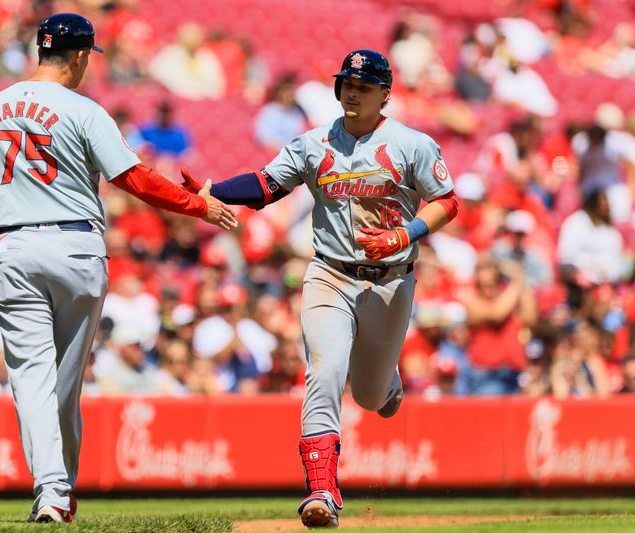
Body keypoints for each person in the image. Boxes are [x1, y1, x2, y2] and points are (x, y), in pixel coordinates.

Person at [0, 13, 236, 524]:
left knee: (33, 379)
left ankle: (54, 491)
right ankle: (58, 490)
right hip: (77, 248)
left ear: (41, 51)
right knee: (63, 383)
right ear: (80, 56)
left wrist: (10, 192)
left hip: (14, 246)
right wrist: (199, 207)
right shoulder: (84, 109)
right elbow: (136, 179)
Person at [182, 49, 458, 528]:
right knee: (325, 370)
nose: (352, 92)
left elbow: (447, 201)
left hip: (392, 279)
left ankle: (386, 381)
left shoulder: (412, 143)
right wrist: (211, 192)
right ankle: (322, 491)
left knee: (370, 397)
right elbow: (267, 185)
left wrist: (405, 233)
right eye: (346, 83)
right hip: (330, 272)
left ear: (385, 95)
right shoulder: (314, 143)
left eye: (364, 86)